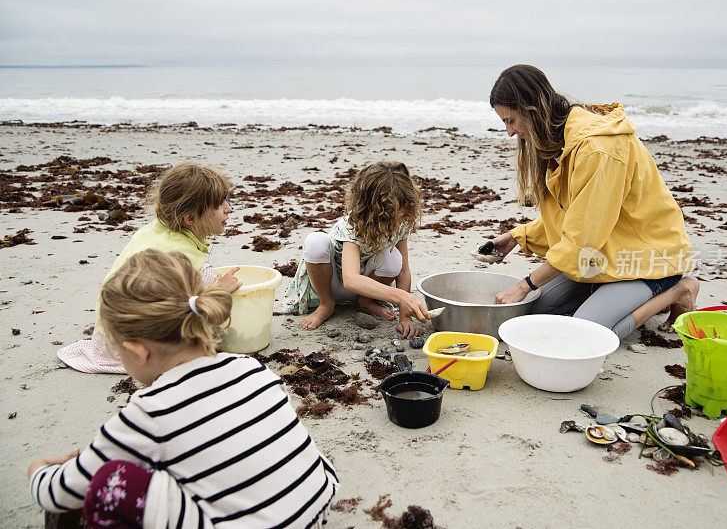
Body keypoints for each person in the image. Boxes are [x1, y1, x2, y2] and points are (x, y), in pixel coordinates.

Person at [29, 250, 339, 528]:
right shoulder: (251, 368)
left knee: (113, 482)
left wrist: (39, 469)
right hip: (315, 508)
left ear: (137, 351)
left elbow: (59, 493)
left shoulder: (148, 412)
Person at [488, 64, 699, 339]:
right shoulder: (560, 142)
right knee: (539, 310)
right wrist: (518, 237)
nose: (510, 132)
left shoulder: (596, 149)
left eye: (511, 120)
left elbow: (582, 240)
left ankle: (678, 290)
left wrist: (524, 285)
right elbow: (575, 216)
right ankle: (608, 292)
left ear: (532, 110)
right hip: (607, 254)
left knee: (587, 333)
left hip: (648, 259)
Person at [57, 163, 242, 374]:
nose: (229, 208)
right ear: (190, 218)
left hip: (107, 334)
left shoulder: (151, 231)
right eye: (219, 205)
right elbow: (203, 306)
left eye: (227, 200)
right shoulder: (192, 262)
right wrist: (221, 290)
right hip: (135, 349)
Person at [282, 161, 430, 337]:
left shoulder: (401, 224)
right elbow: (350, 279)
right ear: (368, 212)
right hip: (333, 282)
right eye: (387, 221)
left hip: (370, 286)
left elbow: (404, 270)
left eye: (402, 217)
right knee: (315, 242)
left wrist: (405, 317)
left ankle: (365, 302)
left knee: (394, 258)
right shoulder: (353, 225)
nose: (395, 226)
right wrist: (400, 296)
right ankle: (326, 305)